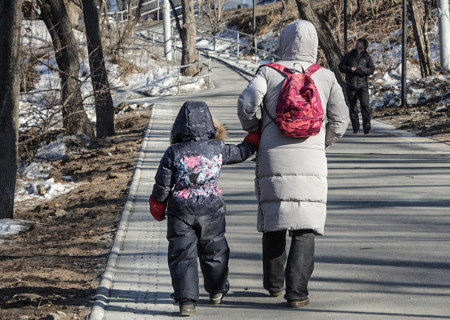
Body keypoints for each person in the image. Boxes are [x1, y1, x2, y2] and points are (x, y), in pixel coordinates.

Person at [237, 19, 349, 308]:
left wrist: (256, 127)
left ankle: (273, 285)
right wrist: (323, 142)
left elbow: (248, 101)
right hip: (311, 156)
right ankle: (297, 293)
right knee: (305, 225)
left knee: (275, 218)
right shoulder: (325, 77)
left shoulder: (268, 72)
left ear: (283, 42)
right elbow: (340, 119)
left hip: (272, 154)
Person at [149, 101, 260, 317]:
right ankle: (217, 290)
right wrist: (255, 136)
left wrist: (158, 206)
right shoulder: (217, 149)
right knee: (215, 249)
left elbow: (162, 185)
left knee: (182, 255)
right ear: (209, 124)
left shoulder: (173, 152)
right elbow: (242, 152)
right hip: (211, 208)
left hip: (180, 211)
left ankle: (186, 301)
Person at [339, 37, 375, 134]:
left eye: (360, 42)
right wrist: (350, 69)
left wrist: (361, 70)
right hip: (351, 84)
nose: (357, 43)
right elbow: (341, 67)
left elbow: (371, 70)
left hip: (363, 84)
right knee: (352, 107)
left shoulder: (367, 57)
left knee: (365, 105)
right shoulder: (349, 55)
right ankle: (356, 126)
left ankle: (366, 125)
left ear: (364, 45)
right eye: (357, 42)